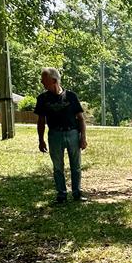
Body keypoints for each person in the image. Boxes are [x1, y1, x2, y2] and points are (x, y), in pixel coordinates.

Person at [35, 68, 88, 203]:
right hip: (54, 135)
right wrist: (41, 140)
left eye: (44, 79)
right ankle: (61, 194)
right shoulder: (42, 99)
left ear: (54, 80)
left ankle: (77, 193)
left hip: (72, 133)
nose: (41, 82)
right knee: (58, 167)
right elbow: (41, 121)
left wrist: (83, 137)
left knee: (75, 165)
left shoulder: (71, 96)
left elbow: (81, 118)